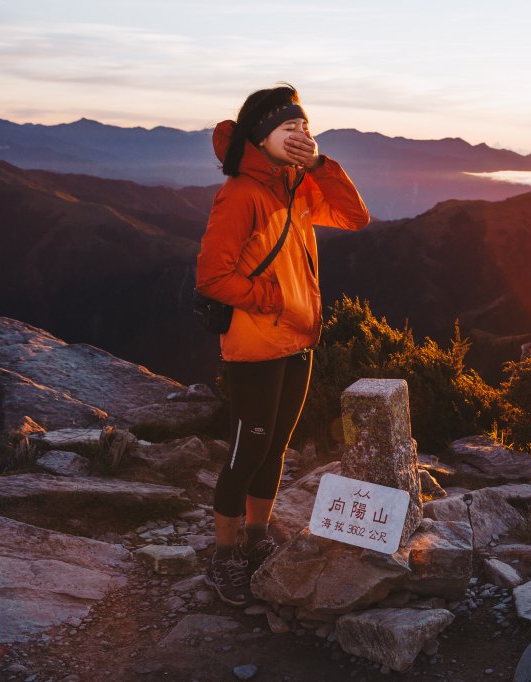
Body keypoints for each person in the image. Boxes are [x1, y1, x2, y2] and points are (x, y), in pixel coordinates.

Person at [195, 84, 370, 605]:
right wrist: (267, 297)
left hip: (297, 340)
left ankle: (256, 537)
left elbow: (354, 217)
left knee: (274, 449)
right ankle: (224, 557)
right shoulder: (241, 193)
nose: (302, 135)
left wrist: (320, 164)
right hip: (255, 343)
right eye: (289, 128)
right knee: (248, 450)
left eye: (306, 126)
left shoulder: (296, 186)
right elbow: (211, 277)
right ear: (260, 136)